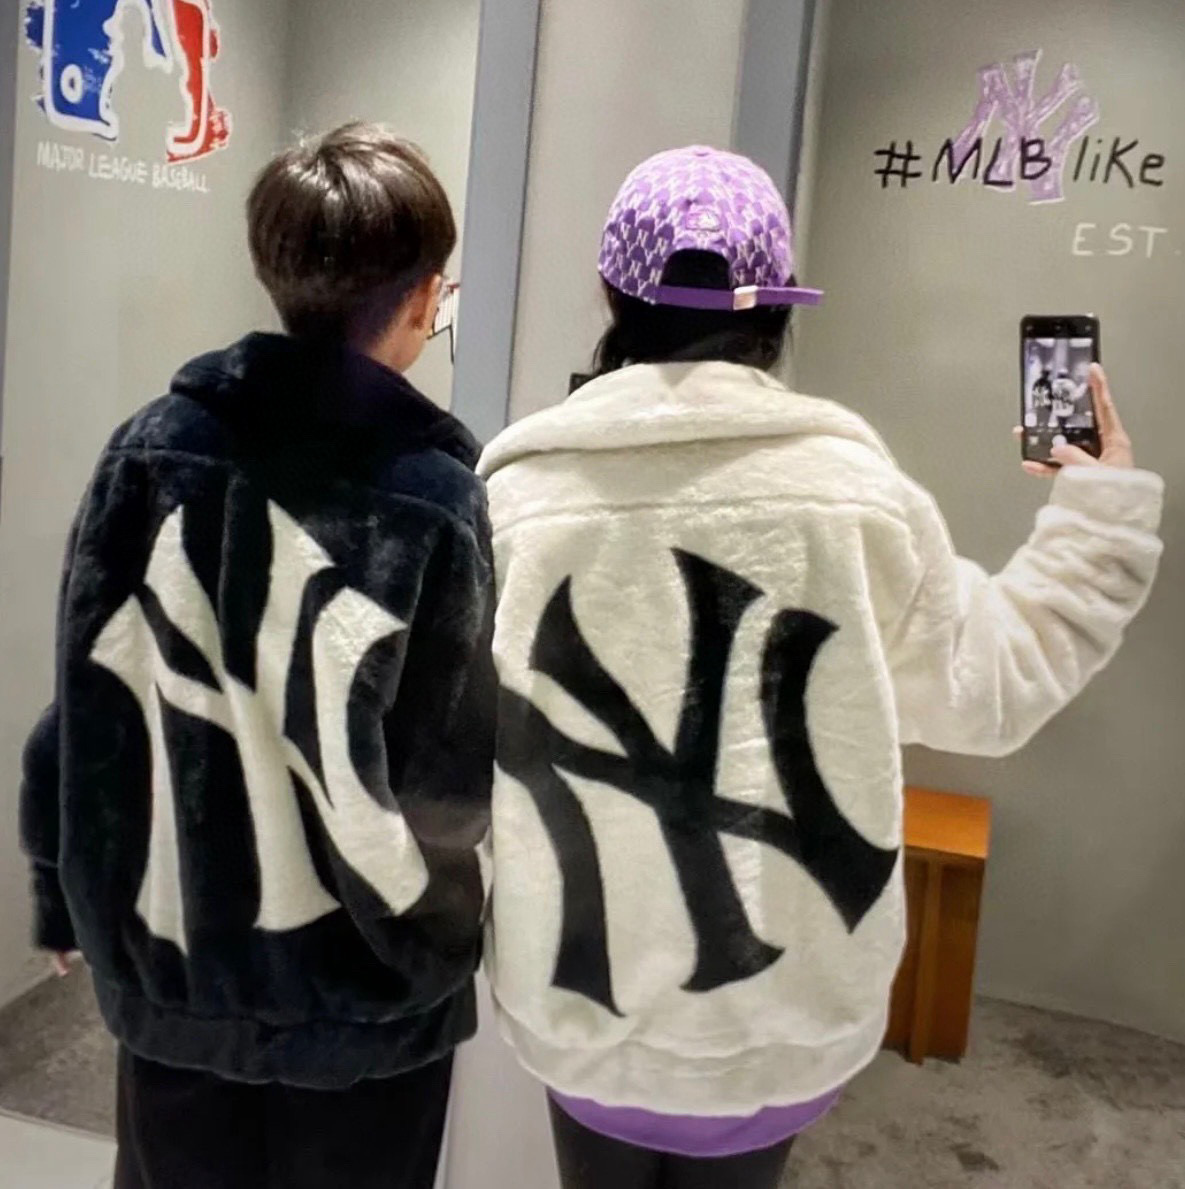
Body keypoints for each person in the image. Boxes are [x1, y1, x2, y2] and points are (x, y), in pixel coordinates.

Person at [477, 146, 1164, 1189]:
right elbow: (990, 688)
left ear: (613, 297)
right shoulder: (855, 496)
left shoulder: (515, 499)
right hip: (781, 1021)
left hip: (584, 1001)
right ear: (776, 313)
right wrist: (1097, 508)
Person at [20, 124, 496, 1189]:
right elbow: (446, 781)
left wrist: (64, 887)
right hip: (366, 1004)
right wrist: (440, 946)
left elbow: (85, 709)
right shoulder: (434, 500)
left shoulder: (147, 453)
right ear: (424, 297)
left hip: (176, 970)